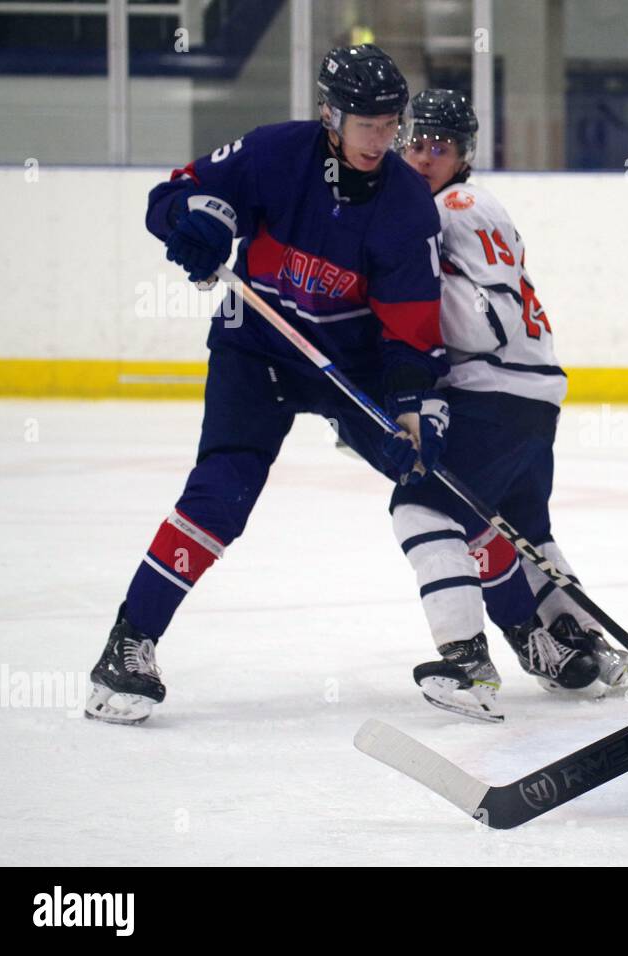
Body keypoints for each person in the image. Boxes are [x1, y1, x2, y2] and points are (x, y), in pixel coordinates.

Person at [85, 44, 449, 724]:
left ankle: (532, 631)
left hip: (350, 367)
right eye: (366, 124)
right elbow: (170, 197)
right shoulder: (274, 153)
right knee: (220, 494)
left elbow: (410, 329)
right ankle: (129, 642)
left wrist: (408, 410)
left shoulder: (406, 203)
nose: (381, 139)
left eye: (390, 124)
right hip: (255, 349)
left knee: (433, 476)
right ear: (330, 115)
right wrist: (194, 225)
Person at [392, 89, 628, 722]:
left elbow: (485, 319)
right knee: (524, 528)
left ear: (464, 154)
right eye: (416, 144)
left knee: (421, 506)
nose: (424, 157)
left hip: (493, 393)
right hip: (533, 395)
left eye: (440, 147)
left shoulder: (452, 206)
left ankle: (466, 660)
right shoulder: (472, 205)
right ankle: (585, 642)